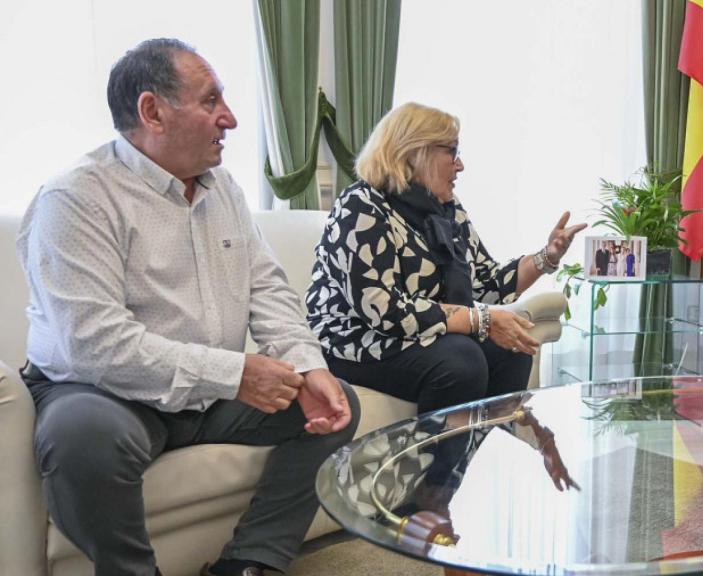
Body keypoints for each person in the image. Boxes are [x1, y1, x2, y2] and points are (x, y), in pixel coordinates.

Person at [16, 39, 359, 576]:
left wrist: (306, 364)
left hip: (211, 392)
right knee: (84, 439)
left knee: (334, 404)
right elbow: (94, 345)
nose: (231, 118)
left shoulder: (224, 190)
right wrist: (234, 374)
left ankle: (250, 562)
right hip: (105, 391)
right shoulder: (76, 198)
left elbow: (267, 290)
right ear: (152, 112)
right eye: (210, 101)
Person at [306, 102, 586, 415]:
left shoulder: (446, 209)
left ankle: (491, 443)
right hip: (353, 341)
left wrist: (547, 256)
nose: (460, 165)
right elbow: (384, 310)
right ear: (414, 152)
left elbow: (487, 283)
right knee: (461, 361)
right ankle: (438, 450)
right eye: (452, 151)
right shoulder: (361, 206)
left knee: (512, 350)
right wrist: (479, 320)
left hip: (419, 334)